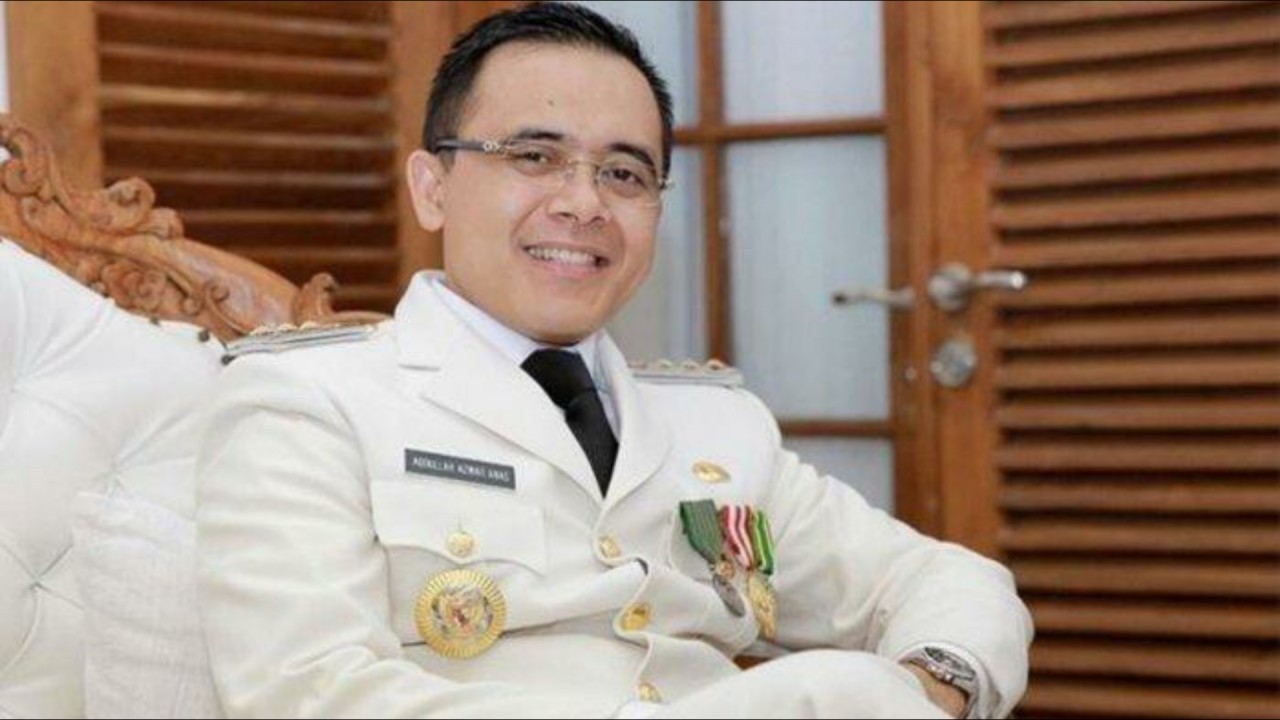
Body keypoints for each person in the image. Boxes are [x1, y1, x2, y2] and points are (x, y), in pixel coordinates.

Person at [195, 3, 1033, 718]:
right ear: (432, 187)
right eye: (534, 156)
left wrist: (930, 687)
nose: (584, 203)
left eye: (625, 173)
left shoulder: (718, 426)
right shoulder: (308, 401)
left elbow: (941, 580)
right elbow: (310, 692)